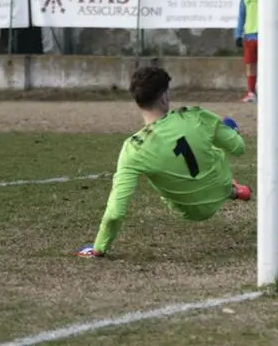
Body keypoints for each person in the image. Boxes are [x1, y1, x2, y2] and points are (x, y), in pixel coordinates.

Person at [73, 66, 252, 258]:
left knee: (173, 166)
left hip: (189, 211)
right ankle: (231, 190)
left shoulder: (133, 148)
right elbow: (239, 148)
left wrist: (99, 248)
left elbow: (115, 213)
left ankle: (232, 191)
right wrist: (231, 131)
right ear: (164, 97)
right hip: (220, 183)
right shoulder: (196, 115)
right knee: (217, 135)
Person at [235, 0, 259, 103]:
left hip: (265, 36)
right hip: (250, 36)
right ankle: (251, 92)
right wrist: (238, 34)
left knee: (266, 65)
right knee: (250, 65)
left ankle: (266, 92)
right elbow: (241, 16)